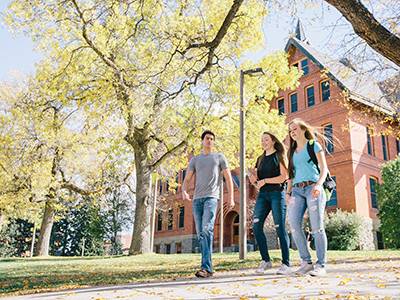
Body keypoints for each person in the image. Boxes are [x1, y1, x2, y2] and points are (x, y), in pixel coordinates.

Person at [182, 130, 234, 278]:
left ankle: (206, 267)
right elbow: (186, 179)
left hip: (212, 197)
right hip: (197, 200)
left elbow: (229, 179)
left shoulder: (219, 157)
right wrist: (184, 191)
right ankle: (208, 268)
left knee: (206, 229)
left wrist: (230, 198)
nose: (209, 141)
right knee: (201, 234)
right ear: (202, 141)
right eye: (207, 138)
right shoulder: (195, 160)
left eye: (212, 139)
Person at [286, 118, 329, 277]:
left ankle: (321, 265)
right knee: (295, 226)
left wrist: (318, 185)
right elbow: (291, 175)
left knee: (317, 227)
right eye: (290, 131)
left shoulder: (313, 145)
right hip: (297, 191)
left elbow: (324, 169)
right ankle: (306, 262)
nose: (292, 133)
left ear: (303, 129)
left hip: (313, 188)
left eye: (295, 129)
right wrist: (287, 193)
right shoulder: (291, 151)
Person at [249, 132, 291, 275]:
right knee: (256, 226)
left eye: (266, 139)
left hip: (277, 194)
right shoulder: (260, 159)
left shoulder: (279, 156)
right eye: (262, 140)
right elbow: (256, 181)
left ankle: (286, 263)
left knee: (279, 227)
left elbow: (283, 177)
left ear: (273, 141)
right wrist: (253, 179)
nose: (264, 142)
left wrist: (265, 181)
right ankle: (266, 260)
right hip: (263, 196)